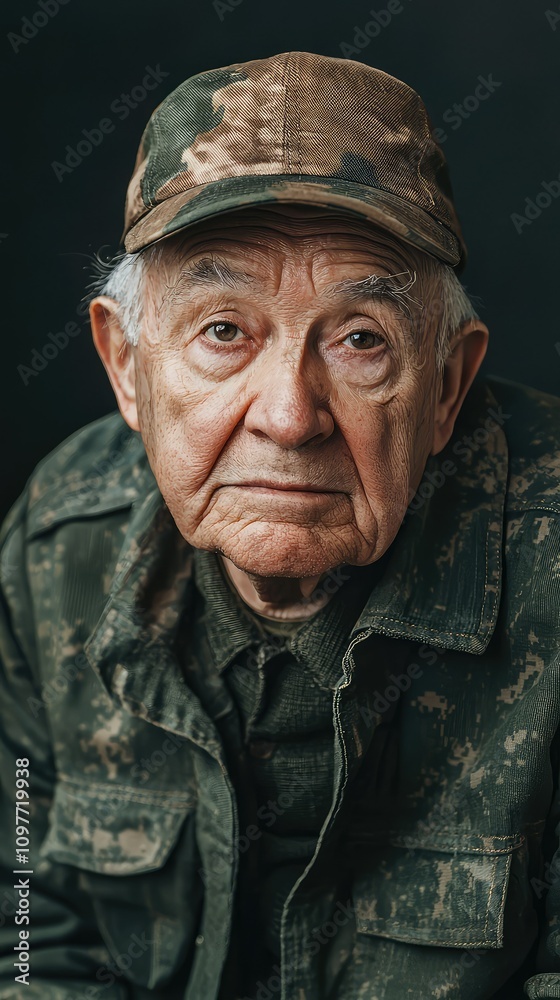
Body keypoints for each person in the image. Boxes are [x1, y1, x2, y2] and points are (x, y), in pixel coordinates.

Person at [0, 50, 559, 1000]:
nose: (291, 417)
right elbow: (26, 924)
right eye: (224, 330)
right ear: (126, 366)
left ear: (446, 387)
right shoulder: (63, 545)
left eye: (359, 339)